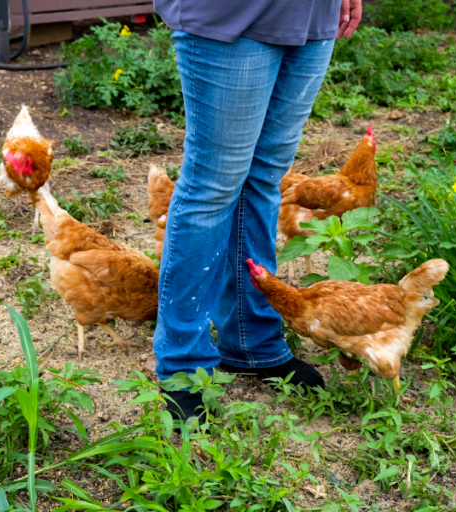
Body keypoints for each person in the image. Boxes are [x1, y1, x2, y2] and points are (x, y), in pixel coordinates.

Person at [150, 0, 362, 420]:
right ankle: (183, 365)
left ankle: (251, 340)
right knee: (213, 185)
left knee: (264, 178)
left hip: (312, 14)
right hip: (231, 14)